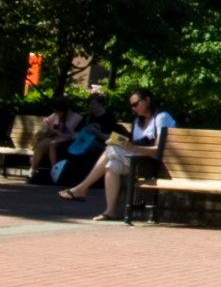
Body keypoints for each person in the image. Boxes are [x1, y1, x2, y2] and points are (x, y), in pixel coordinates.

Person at [58, 88, 173, 220]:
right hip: (135, 160)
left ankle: (82, 188)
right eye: (132, 106)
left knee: (111, 149)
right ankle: (110, 211)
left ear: (147, 100)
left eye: (136, 104)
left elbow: (159, 149)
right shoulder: (138, 121)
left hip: (152, 164)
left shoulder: (161, 118)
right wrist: (120, 141)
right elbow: (133, 143)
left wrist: (132, 148)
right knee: (111, 165)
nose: (134, 108)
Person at [28, 102, 85, 182]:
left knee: (53, 143)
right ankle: (33, 169)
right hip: (56, 137)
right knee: (41, 145)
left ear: (63, 111)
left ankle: (54, 171)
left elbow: (77, 134)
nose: (56, 113)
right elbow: (45, 125)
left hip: (69, 139)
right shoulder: (55, 115)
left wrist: (62, 134)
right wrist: (47, 129)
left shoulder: (76, 118)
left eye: (58, 112)